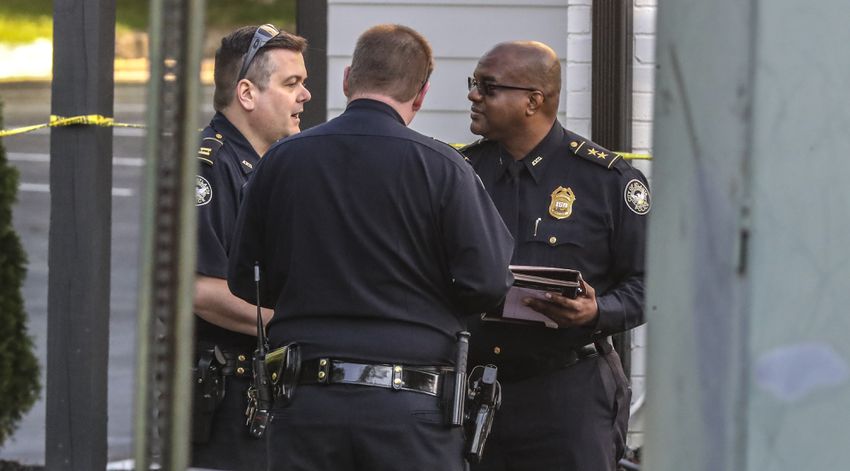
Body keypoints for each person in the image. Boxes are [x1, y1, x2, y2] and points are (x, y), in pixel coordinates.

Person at [227, 24, 514, 471]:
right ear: (420, 95)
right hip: (411, 407)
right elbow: (490, 281)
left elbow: (247, 278)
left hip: (307, 401)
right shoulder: (443, 168)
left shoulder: (281, 161)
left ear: (347, 80)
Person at [460, 41, 649, 470]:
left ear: (532, 101)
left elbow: (648, 284)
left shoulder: (607, 181)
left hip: (568, 395)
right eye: (474, 83)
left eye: (488, 87)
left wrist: (597, 310)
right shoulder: (459, 174)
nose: (473, 95)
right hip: (472, 390)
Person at [191, 24, 310, 471]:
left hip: (266, 393)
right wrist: (301, 326)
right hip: (224, 399)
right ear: (246, 93)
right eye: (291, 83)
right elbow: (200, 291)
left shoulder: (269, 166)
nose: (306, 96)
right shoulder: (211, 165)